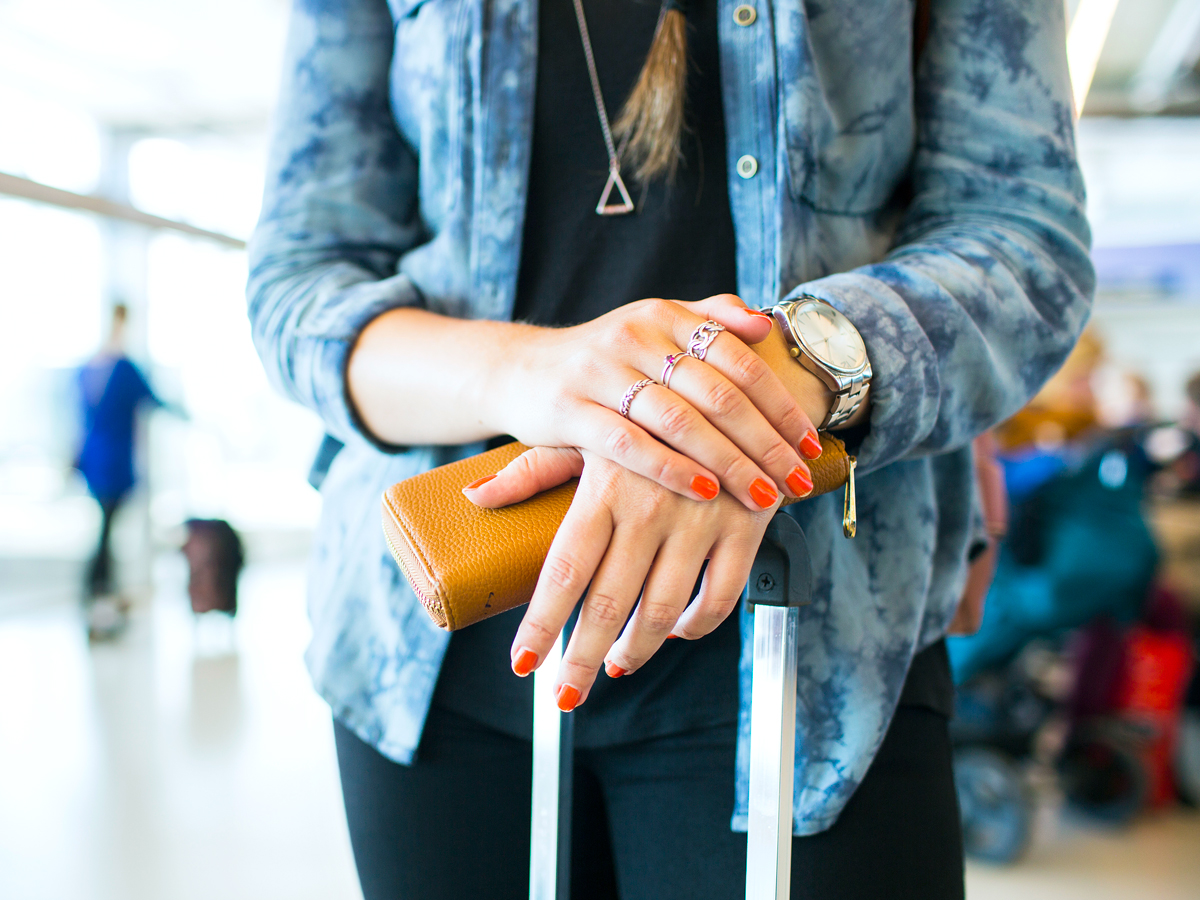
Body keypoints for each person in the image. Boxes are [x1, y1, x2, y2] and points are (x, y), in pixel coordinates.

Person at [248, 1, 1093, 897]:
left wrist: (749, 394)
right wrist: (542, 372)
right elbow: (299, 283)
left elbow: (1024, 237)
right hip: (437, 657)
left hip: (821, 648)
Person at [74, 302, 161, 638]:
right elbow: (154, 400)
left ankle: (99, 598)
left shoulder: (89, 371)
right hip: (110, 466)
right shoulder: (121, 369)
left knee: (105, 535)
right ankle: (99, 599)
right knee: (106, 537)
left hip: (94, 465)